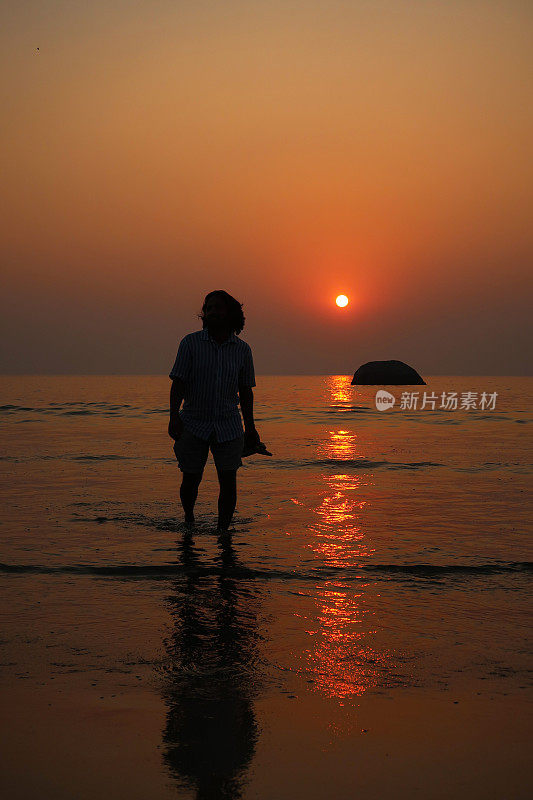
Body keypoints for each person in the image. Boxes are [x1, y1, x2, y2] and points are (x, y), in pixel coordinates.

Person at [168, 290, 260, 531]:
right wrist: (173, 417)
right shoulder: (190, 343)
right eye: (208, 308)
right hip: (193, 422)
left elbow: (246, 392)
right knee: (191, 479)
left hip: (228, 424)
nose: (212, 312)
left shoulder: (242, 350)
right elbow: (178, 382)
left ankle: (223, 532)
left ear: (229, 312)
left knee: (228, 481)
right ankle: (189, 519)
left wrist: (250, 429)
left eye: (218, 307)